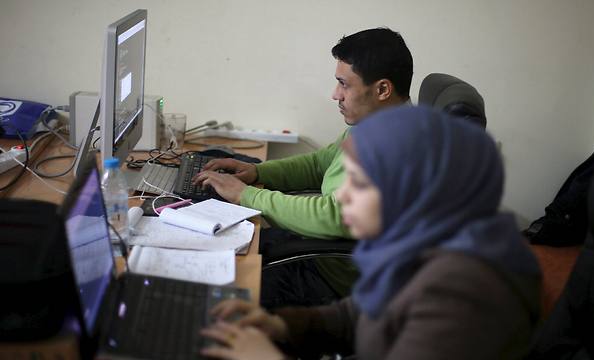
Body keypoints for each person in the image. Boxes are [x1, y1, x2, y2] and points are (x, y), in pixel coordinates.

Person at [199, 106, 542, 360]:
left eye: (359, 185)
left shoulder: (464, 296)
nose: (343, 196)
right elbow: (357, 315)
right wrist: (282, 326)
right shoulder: (421, 248)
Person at [193, 28, 414, 307]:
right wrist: (258, 173)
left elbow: (337, 216)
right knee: (216, 248)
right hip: (319, 253)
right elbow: (319, 164)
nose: (336, 95)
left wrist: (246, 195)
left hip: (333, 284)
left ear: (382, 89)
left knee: (216, 293)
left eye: (344, 84)